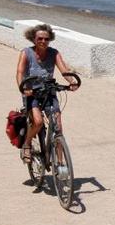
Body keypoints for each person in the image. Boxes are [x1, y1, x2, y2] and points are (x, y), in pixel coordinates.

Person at [15, 24, 79, 165]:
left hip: (49, 92)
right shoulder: (26, 53)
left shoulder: (54, 53)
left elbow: (64, 70)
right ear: (33, 39)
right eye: (40, 38)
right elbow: (20, 72)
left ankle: (61, 164)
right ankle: (27, 144)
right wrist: (23, 87)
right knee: (37, 122)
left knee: (58, 127)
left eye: (46, 39)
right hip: (31, 93)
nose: (43, 41)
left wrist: (72, 81)